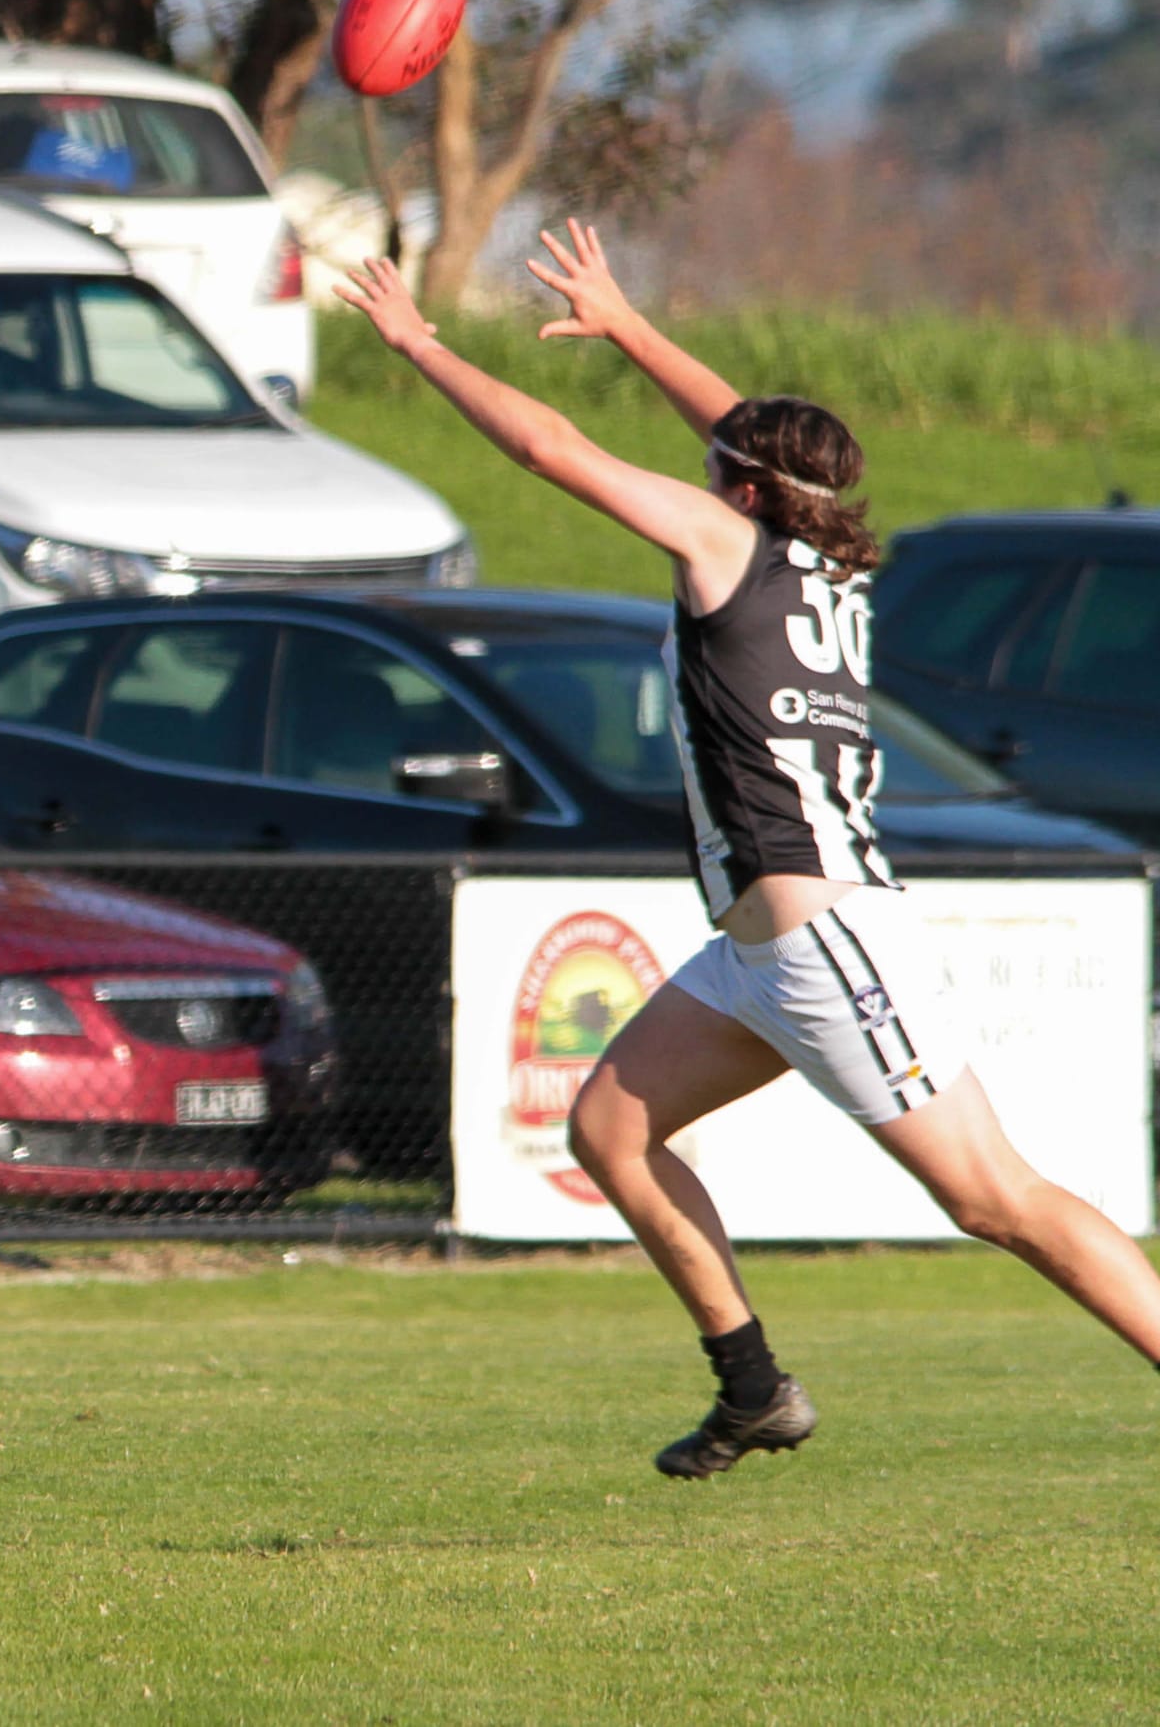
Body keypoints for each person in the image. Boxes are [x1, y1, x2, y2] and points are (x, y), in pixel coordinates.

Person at [336, 228, 1160, 1478]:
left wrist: (420, 344)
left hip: (823, 940)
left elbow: (547, 448)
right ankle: (753, 1387)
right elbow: (743, 429)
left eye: (715, 466)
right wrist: (623, 325)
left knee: (994, 1197)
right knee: (610, 1128)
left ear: (738, 492)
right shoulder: (821, 546)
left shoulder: (724, 541)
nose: (703, 464)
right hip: (757, 951)